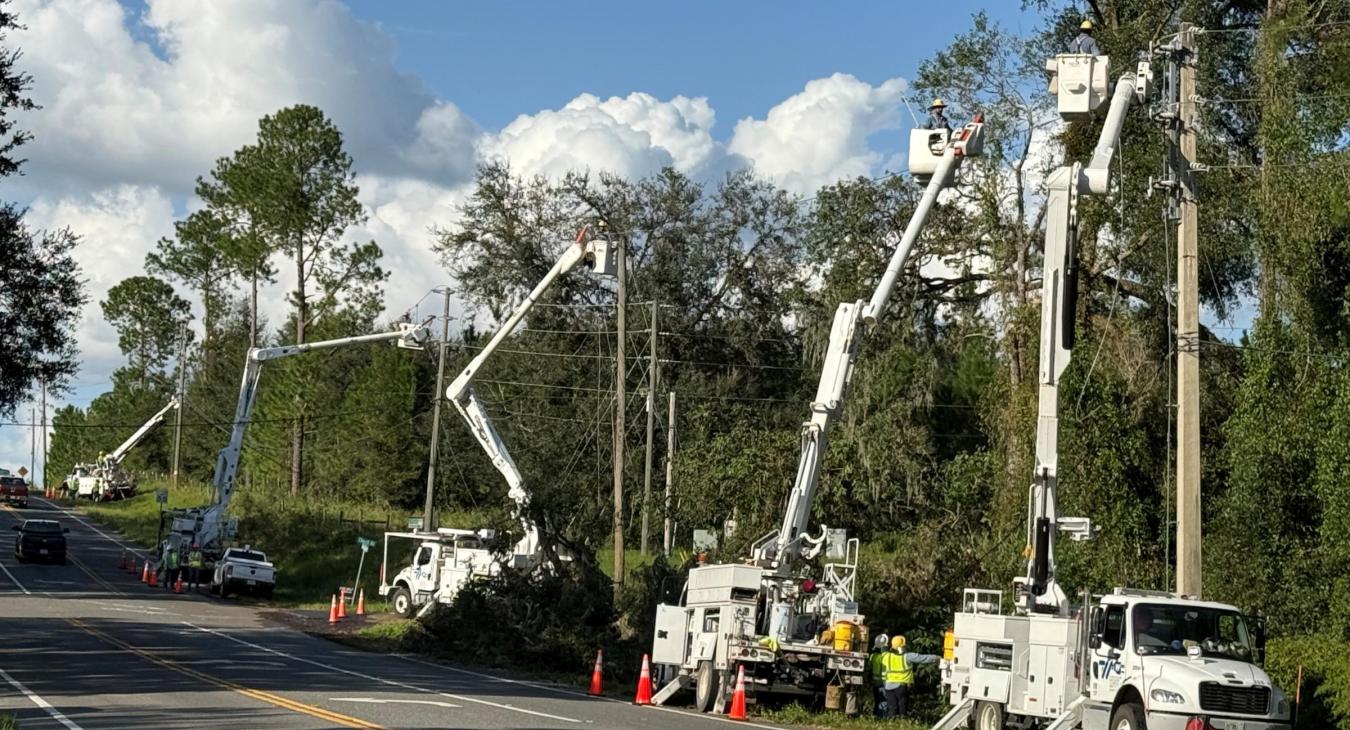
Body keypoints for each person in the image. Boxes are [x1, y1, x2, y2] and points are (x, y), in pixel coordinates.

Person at [880, 635, 940, 719]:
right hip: (901, 686)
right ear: (902, 646)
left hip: (888, 686)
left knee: (892, 707)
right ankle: (902, 723)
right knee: (902, 707)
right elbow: (922, 658)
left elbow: (883, 648)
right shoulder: (907, 656)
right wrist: (936, 658)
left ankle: (891, 723)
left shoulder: (886, 656)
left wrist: (884, 640)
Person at [868, 633, 889, 717]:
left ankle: (876, 715)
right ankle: (882, 716)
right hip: (883, 681)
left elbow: (869, 667)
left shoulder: (873, 656)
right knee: (883, 700)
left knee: (877, 699)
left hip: (875, 681)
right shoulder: (886, 656)